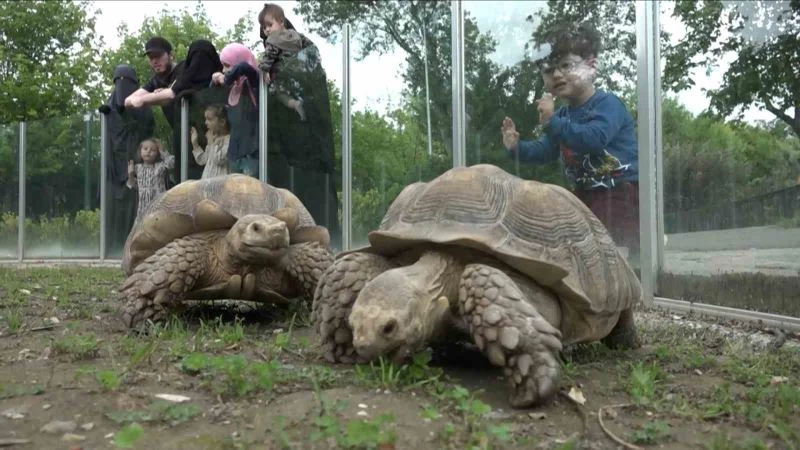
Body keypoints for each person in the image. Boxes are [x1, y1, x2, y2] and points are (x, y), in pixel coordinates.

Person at [500, 22, 640, 263]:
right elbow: (546, 150)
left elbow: (595, 139)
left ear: (591, 66)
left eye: (565, 65)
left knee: (615, 251)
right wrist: (517, 147)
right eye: (548, 70)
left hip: (618, 191)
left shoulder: (608, 105)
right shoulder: (563, 117)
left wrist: (553, 122)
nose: (556, 74)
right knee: (583, 253)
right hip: (584, 194)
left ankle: (631, 285)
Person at [256, 3, 341, 249]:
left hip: (299, 125)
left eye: (269, 25)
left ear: (282, 22)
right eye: (264, 27)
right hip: (289, 114)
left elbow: (268, 62)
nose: (266, 31)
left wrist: (264, 71)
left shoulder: (276, 44)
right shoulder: (301, 41)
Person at [125, 37, 224, 182]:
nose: (154, 61)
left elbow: (170, 95)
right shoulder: (155, 80)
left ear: (171, 55)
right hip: (181, 138)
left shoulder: (183, 69)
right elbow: (128, 100)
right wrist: (152, 96)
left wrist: (147, 99)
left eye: (158, 56)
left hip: (202, 134)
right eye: (151, 58)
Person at [98, 64, 155, 256]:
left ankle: (134, 249)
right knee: (114, 210)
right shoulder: (109, 106)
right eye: (118, 82)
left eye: (127, 83)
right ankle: (110, 248)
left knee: (135, 209)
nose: (122, 87)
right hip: (113, 169)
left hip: (137, 167)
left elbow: (147, 132)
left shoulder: (142, 106)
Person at [211, 43, 260, 178]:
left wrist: (225, 78)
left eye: (227, 65)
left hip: (251, 152)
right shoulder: (232, 88)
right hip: (234, 153)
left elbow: (243, 67)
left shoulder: (253, 82)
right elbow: (211, 99)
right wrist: (214, 80)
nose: (224, 69)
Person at [127, 138, 175, 223]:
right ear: (140, 151)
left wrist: (162, 150)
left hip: (158, 204)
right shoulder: (137, 168)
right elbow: (133, 185)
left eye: (153, 150)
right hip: (143, 207)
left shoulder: (160, 166)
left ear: (157, 154)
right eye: (145, 149)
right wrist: (130, 174)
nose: (148, 151)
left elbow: (171, 163)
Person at [191, 104, 230, 179]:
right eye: (205, 119)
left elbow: (219, 160)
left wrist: (212, 143)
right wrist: (195, 143)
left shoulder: (228, 140)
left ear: (222, 122)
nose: (206, 122)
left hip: (220, 187)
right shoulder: (213, 139)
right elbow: (203, 160)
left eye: (209, 119)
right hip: (207, 186)